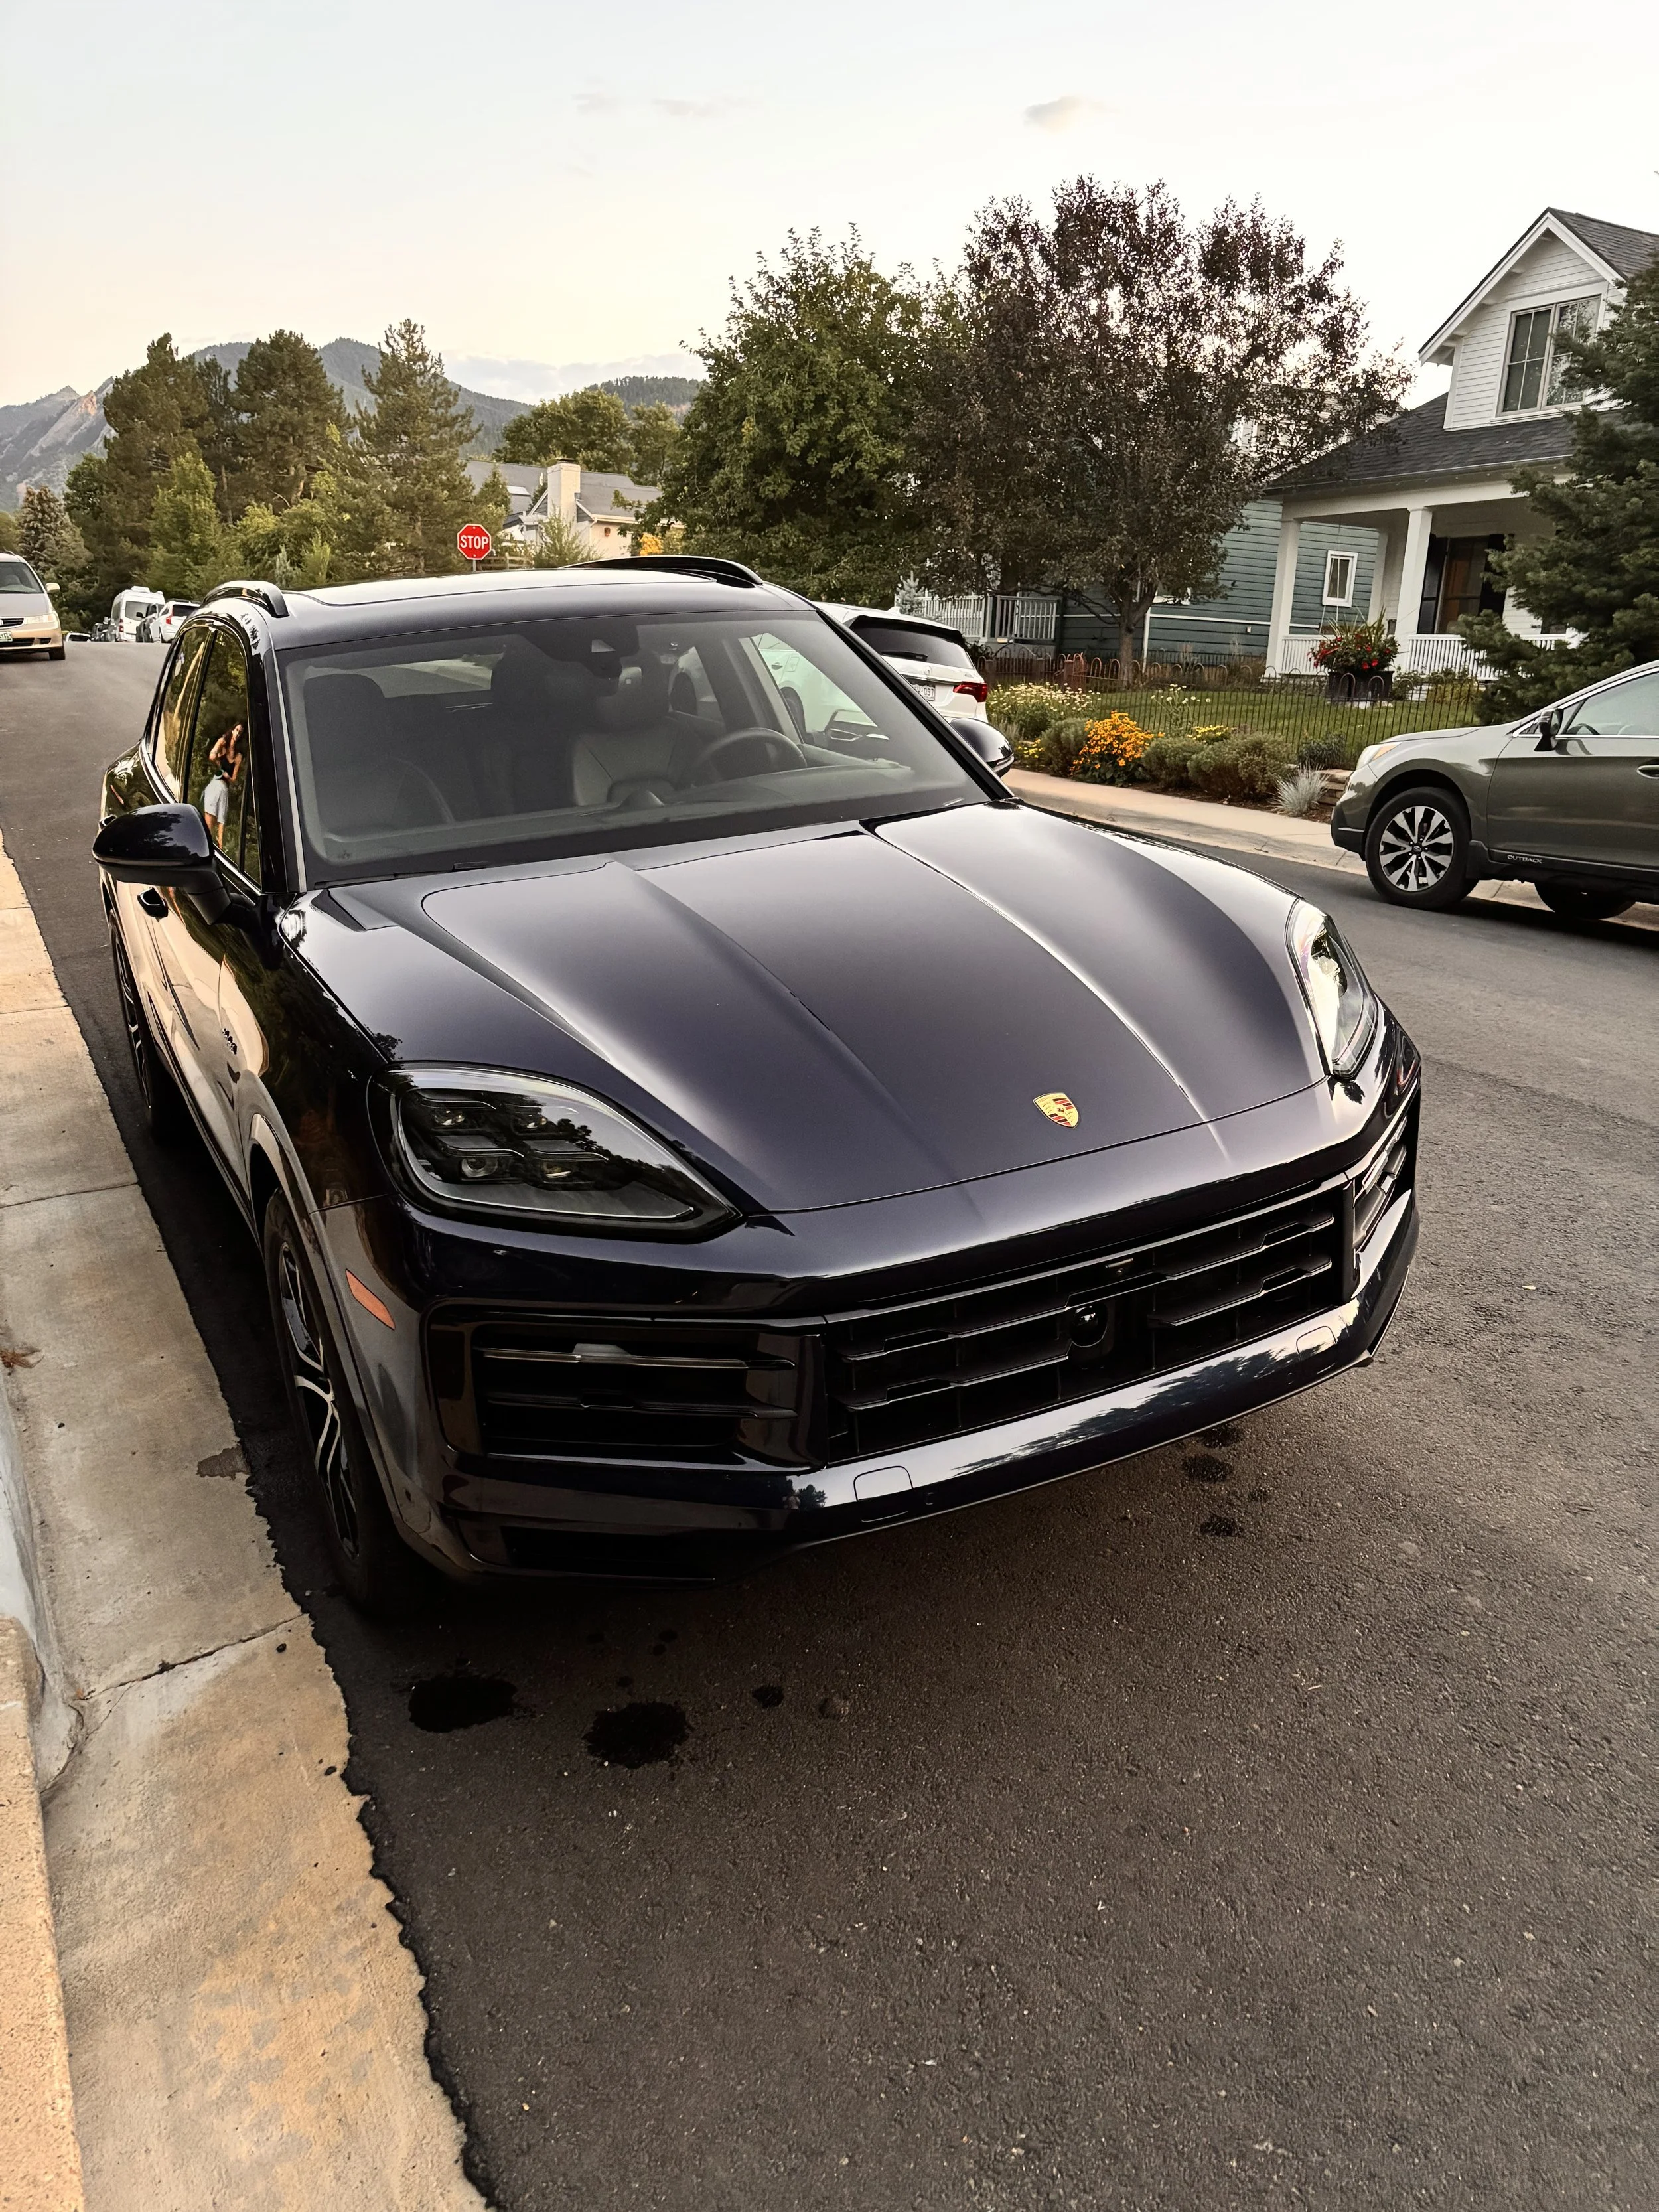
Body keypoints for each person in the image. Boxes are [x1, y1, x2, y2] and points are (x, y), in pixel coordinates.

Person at [200, 723, 244, 849]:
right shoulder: (222, 743)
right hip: (215, 784)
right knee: (210, 817)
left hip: (224, 788)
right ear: (232, 730)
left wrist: (226, 776)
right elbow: (212, 755)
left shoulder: (238, 756)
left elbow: (234, 779)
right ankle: (207, 844)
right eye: (237, 730)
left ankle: (220, 847)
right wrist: (219, 763)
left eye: (240, 732)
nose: (238, 733)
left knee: (222, 819)